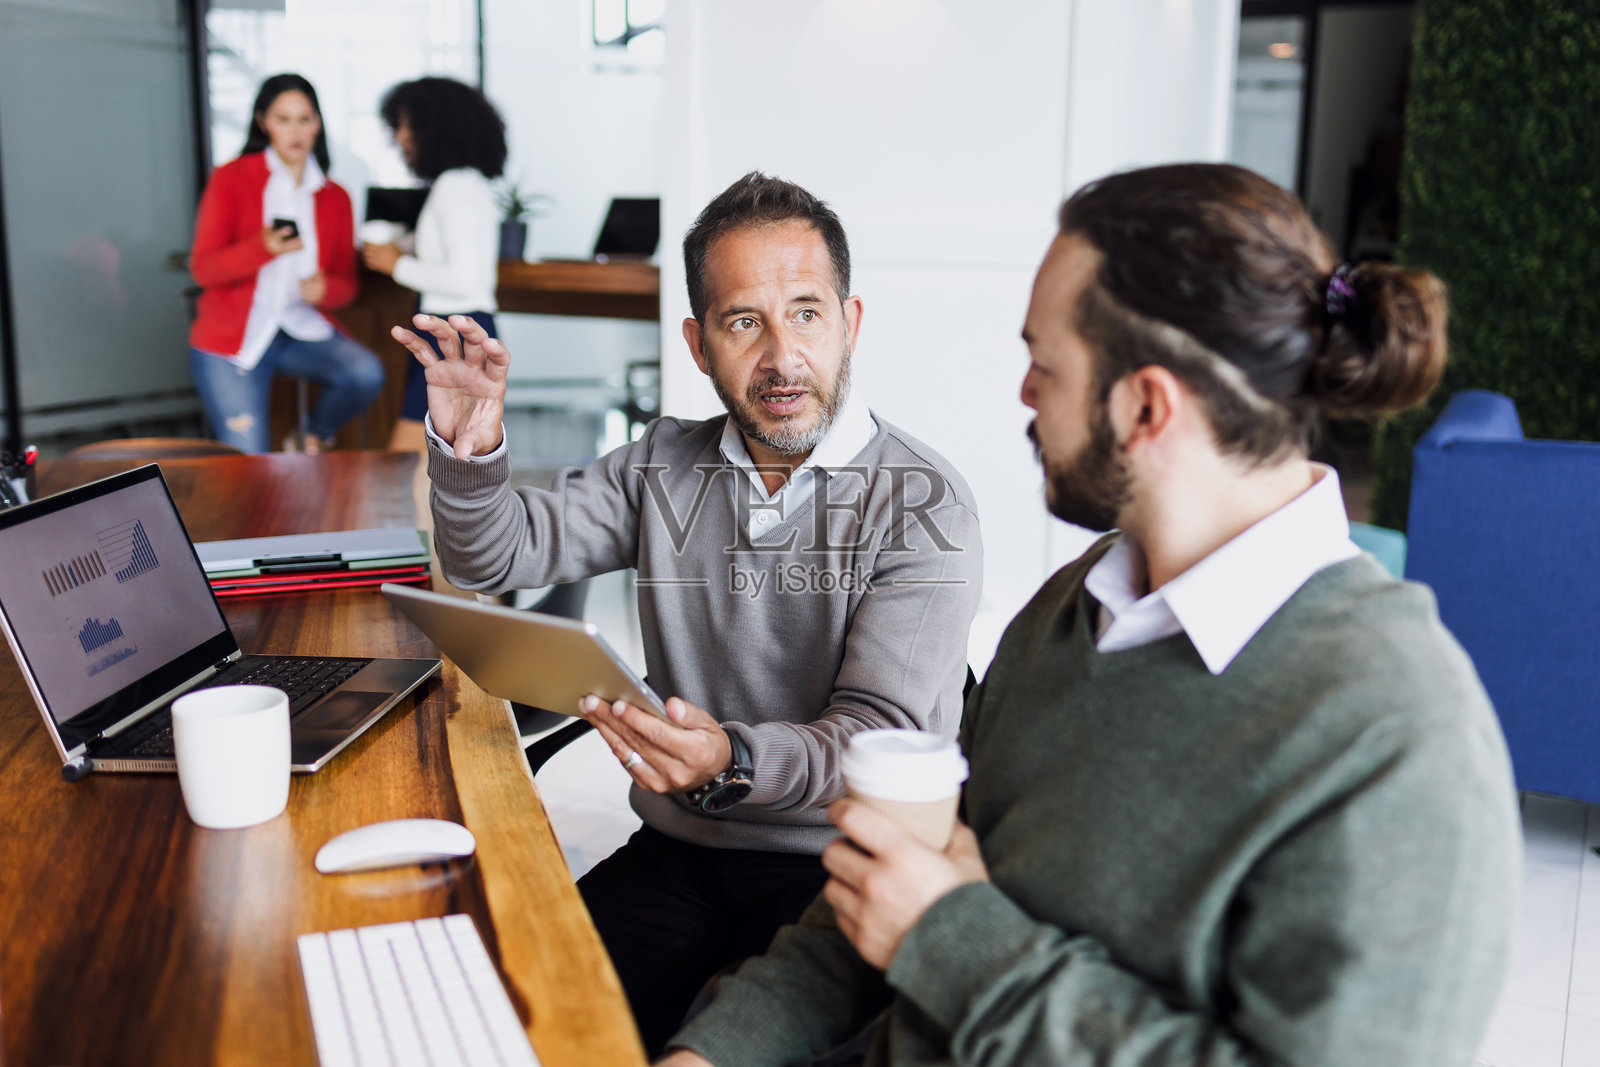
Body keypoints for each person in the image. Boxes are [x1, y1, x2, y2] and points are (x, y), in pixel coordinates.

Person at [660, 163, 1521, 1067]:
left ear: (1147, 405)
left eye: (1044, 365)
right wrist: (711, 1052)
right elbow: (879, 901)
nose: (1024, 397)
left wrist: (954, 939)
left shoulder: (1399, 734)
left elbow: (930, 921)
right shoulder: (1070, 613)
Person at [392, 172, 984, 1056]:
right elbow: (495, 554)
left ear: (850, 323)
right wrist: (470, 446)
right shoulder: (661, 462)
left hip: (843, 864)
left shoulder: (925, 503)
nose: (783, 357)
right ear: (699, 344)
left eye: (808, 314)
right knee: (519, 1023)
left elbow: (876, 735)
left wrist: (731, 755)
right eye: (744, 321)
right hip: (684, 846)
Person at [188, 73, 384, 454]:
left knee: (365, 373)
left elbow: (346, 284)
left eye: (304, 119)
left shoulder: (335, 197)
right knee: (248, 464)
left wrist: (327, 289)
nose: (295, 131)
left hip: (299, 329)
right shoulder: (231, 179)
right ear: (264, 123)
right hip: (234, 338)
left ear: (318, 124)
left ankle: (310, 437)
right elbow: (204, 270)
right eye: (283, 119)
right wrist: (261, 247)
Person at [363, 76, 507, 452]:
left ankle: (402, 515)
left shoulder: (456, 187)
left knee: (408, 457)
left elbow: (462, 278)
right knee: (444, 460)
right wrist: (403, 245)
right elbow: (444, 250)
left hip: (455, 333)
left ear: (434, 127)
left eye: (405, 126)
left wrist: (396, 265)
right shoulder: (461, 184)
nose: (399, 138)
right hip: (452, 329)